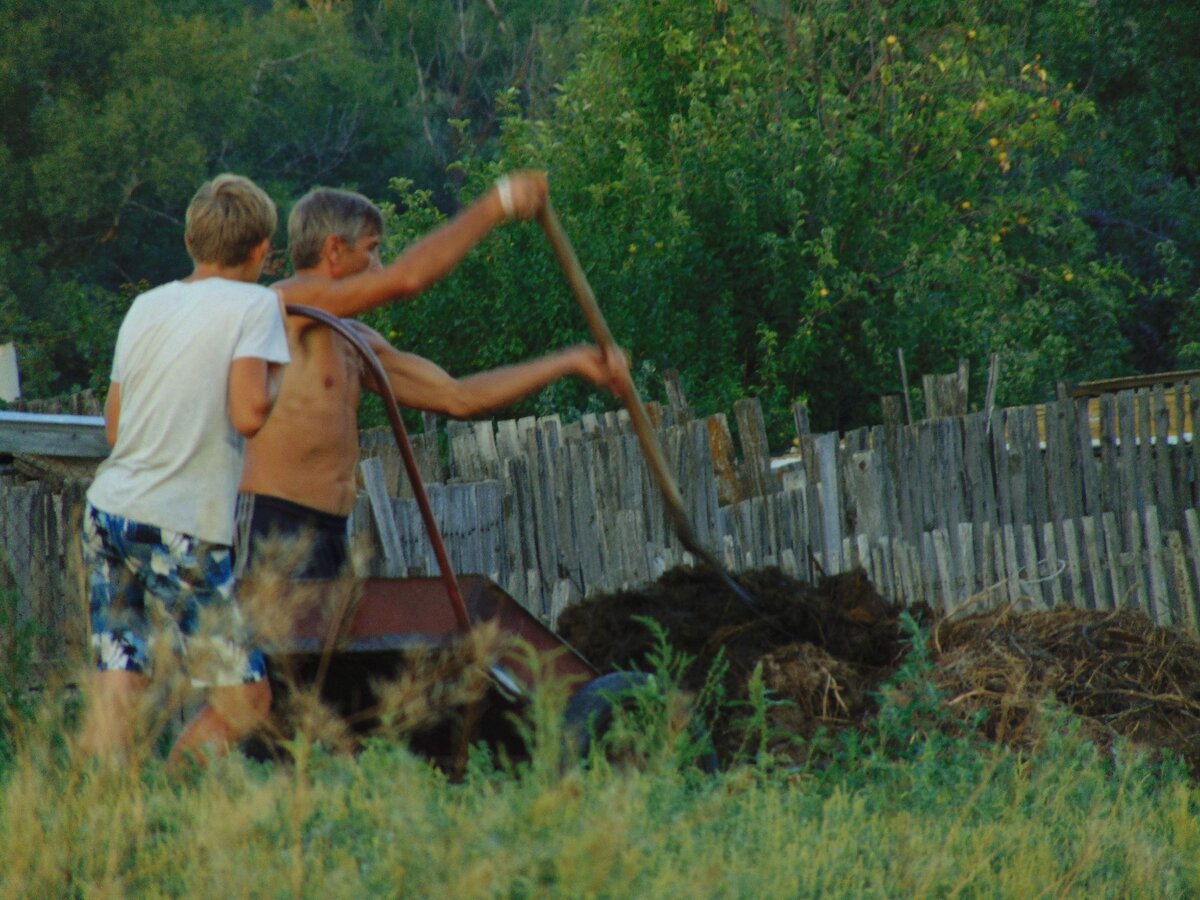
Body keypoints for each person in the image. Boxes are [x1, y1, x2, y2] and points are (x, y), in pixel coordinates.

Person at [236, 182, 630, 578]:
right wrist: (500, 203)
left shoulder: (354, 340)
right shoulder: (284, 305)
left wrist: (569, 361)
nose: (379, 267)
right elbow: (407, 279)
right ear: (334, 249)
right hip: (274, 527)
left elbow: (458, 397)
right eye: (372, 250)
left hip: (331, 533)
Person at [80, 174, 291, 767]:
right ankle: (177, 793)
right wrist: (279, 372)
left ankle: (93, 805)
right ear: (260, 250)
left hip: (108, 512)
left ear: (189, 242)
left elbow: (116, 427)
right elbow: (249, 413)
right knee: (246, 696)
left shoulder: (146, 306)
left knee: (120, 670)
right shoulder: (257, 305)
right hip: (180, 523)